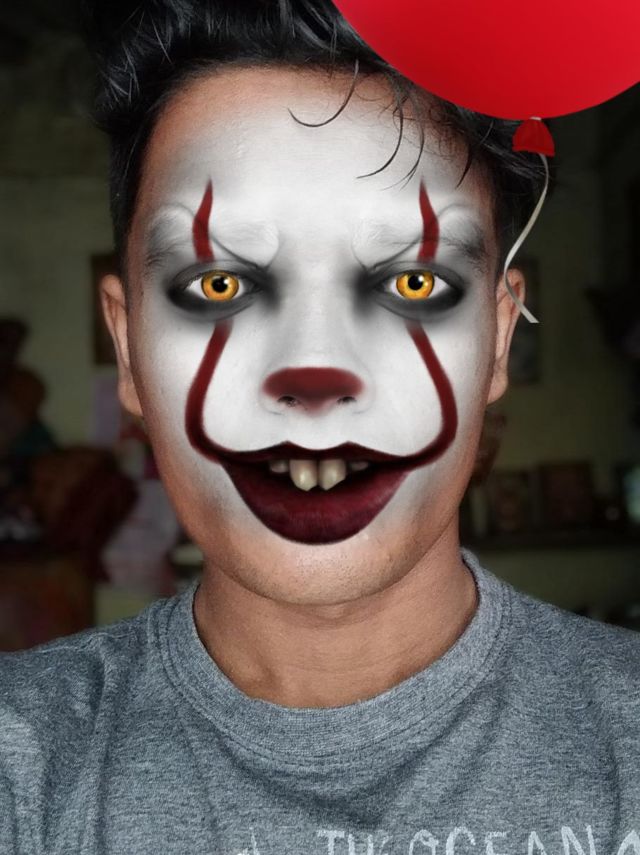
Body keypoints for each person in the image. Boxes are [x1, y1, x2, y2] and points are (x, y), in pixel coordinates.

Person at [1, 2, 639, 852]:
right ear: (128, 348)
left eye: (414, 284)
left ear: (496, 341)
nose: (312, 376)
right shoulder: (23, 764)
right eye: (218, 285)